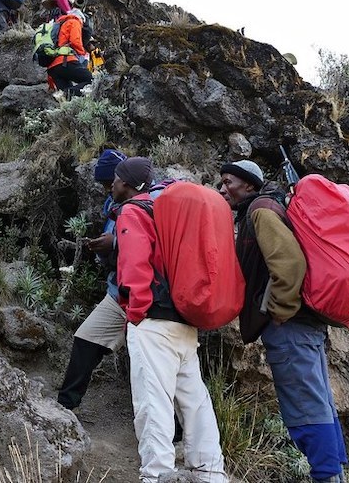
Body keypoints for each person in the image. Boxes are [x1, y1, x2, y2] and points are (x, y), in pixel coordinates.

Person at [218, 160, 348, 483]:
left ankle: (326, 477)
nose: (223, 188)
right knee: (320, 407)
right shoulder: (270, 207)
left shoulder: (261, 211)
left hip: (290, 327)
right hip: (305, 325)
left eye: (228, 181)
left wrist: (278, 311)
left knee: (305, 412)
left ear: (249, 184)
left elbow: (289, 264)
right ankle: (334, 475)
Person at [114, 157, 228, 483]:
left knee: (154, 401)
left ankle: (157, 475)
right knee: (194, 400)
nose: (113, 185)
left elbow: (135, 263)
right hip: (184, 318)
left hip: (153, 321)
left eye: (118, 179)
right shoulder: (166, 211)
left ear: (131, 184)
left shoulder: (134, 210)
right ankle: (210, 472)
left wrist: (135, 313)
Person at [57, 149, 128, 410]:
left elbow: (152, 244)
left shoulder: (150, 204)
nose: (108, 189)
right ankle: (64, 408)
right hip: (118, 292)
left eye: (111, 183)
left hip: (148, 299)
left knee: (155, 367)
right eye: (105, 185)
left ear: (124, 181)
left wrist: (116, 243)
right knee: (86, 339)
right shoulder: (114, 204)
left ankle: (177, 432)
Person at [46, 8, 93, 98]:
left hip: (53, 68)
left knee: (68, 98)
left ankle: (64, 95)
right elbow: (75, 41)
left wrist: (51, 83)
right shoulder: (74, 21)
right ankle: (65, 93)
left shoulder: (58, 25)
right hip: (65, 61)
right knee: (91, 81)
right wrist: (83, 54)